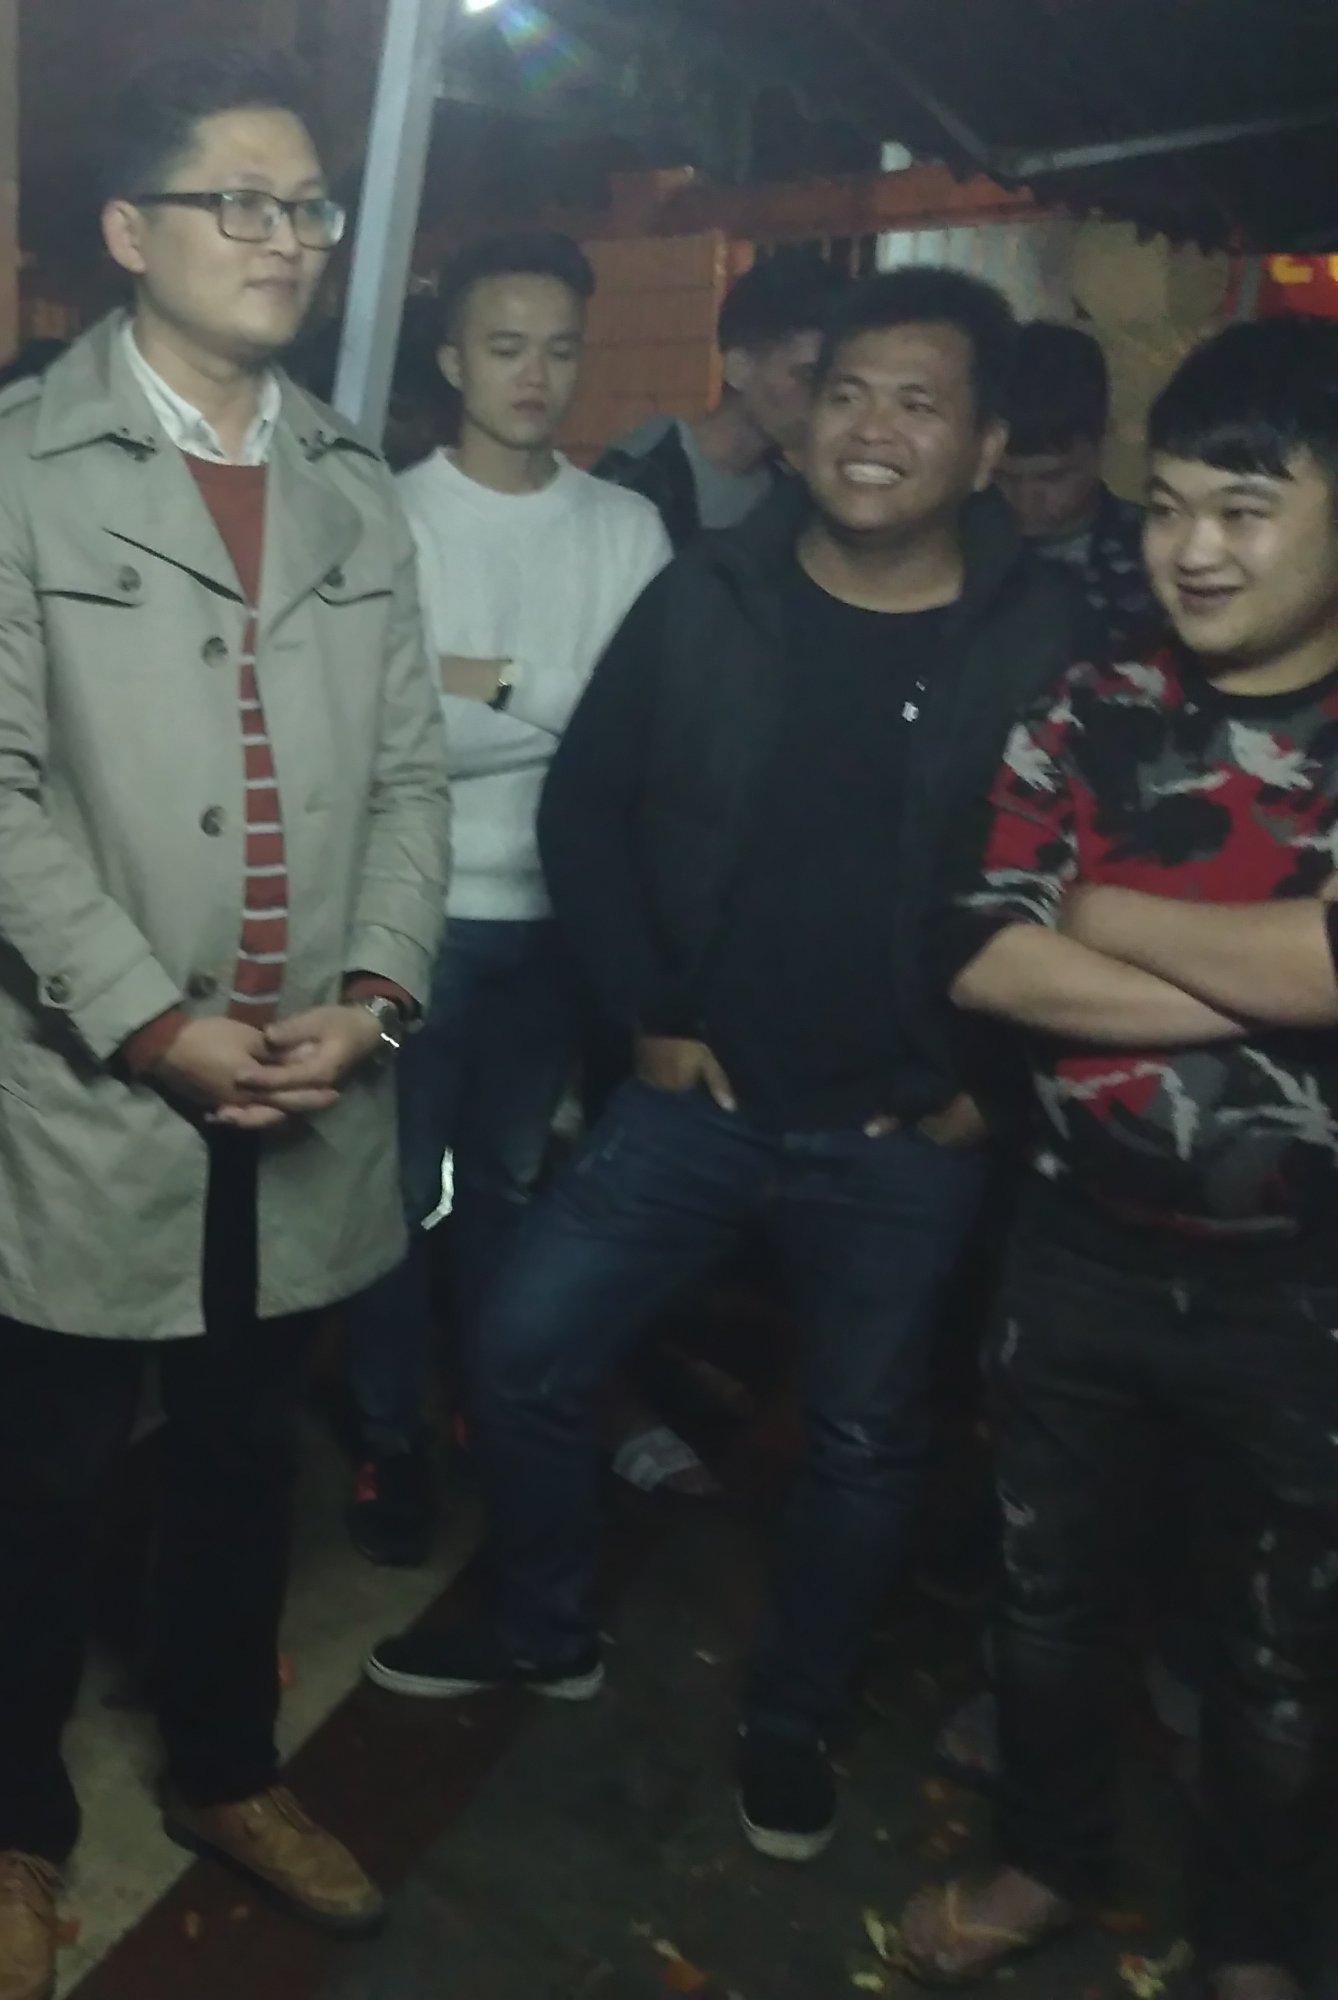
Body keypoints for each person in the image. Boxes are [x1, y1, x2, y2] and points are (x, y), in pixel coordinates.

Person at [363, 270, 1084, 1866]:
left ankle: (791, 1714)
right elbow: (587, 805)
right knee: (520, 1345)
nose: (869, 428)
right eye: (845, 391)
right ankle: (543, 1622)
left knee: (864, 1440)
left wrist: (993, 1078)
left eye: (917, 401)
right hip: (697, 1101)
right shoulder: (710, 591)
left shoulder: (1045, 636)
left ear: (982, 448)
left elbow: (1088, 876)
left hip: (905, 1132)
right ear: (801, 415)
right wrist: (648, 1012)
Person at [0, 47, 452, 2000]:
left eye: (307, 205)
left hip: (308, 1070)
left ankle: (225, 1769)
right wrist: (148, 1023)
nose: (286, 237)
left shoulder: (349, 482)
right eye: (243, 200)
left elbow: (410, 773)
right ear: (130, 233)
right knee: (44, 1483)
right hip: (99, 1090)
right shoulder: (12, 469)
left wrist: (373, 993)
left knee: (242, 1455)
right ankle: (11, 1832)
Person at [888, 316, 1338, 2000]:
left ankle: (1253, 1941)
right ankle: (1048, 1860)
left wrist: (1107, 912)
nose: (1191, 549)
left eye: (1244, 509)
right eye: (1169, 508)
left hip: (1305, 1288)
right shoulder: (1093, 703)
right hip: (1075, 1252)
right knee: (1045, 1598)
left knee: (1281, 1648)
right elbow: (978, 954)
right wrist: (1277, 976)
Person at [340, 230, 671, 1566]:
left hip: (563, 917)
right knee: (391, 1194)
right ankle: (388, 1436)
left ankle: (491, 1412)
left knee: (513, 1190)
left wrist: (486, 678)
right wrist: (551, 702)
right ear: (449, 359)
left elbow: (640, 734)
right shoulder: (390, 515)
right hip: (414, 911)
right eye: (503, 346)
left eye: (557, 349)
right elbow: (385, 731)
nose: (533, 375)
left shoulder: (624, 525)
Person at [594, 248, 845, 548]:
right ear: (739, 368)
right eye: (807, 376)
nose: (822, 397)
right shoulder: (640, 475)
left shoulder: (790, 495)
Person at [996, 319, 1168, 660]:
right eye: (1003, 477)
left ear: (1102, 442)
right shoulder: (949, 547)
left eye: (1052, 478)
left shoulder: (1157, 553)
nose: (1025, 499)